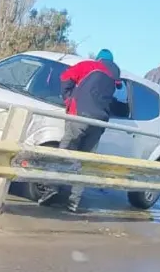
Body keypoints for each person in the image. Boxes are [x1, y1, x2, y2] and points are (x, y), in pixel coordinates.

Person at [39, 48, 122, 212]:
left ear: (98, 59)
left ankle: (52, 190)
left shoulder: (89, 66)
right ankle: (74, 201)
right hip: (99, 123)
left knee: (64, 153)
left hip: (80, 116)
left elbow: (65, 77)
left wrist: (68, 98)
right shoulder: (115, 79)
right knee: (84, 160)